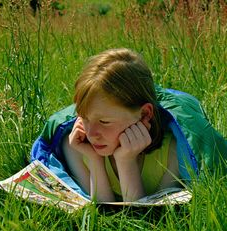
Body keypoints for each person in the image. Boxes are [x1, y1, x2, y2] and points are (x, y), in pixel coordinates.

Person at [30, 48, 227, 202]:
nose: (91, 133)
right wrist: (95, 161)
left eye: (104, 122)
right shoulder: (75, 145)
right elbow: (103, 213)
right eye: (84, 118)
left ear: (144, 114)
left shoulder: (173, 152)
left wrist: (126, 162)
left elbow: (144, 219)